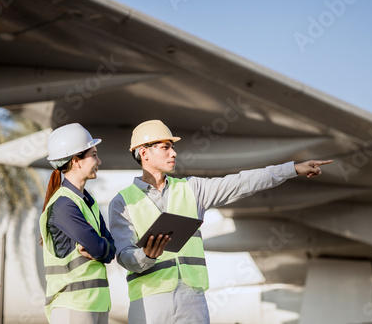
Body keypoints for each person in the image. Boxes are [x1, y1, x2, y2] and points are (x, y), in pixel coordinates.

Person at [108, 119, 332, 323]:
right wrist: (146, 256)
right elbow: (124, 256)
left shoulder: (193, 188)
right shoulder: (122, 202)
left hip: (192, 299)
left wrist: (291, 169)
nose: (174, 153)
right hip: (149, 300)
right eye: (166, 147)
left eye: (172, 147)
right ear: (144, 153)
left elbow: (242, 182)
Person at [39, 123, 116, 324]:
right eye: (94, 154)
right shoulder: (64, 205)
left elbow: (109, 250)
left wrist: (103, 249)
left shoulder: (88, 202)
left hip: (96, 304)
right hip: (72, 306)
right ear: (76, 161)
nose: (99, 160)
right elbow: (100, 249)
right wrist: (102, 248)